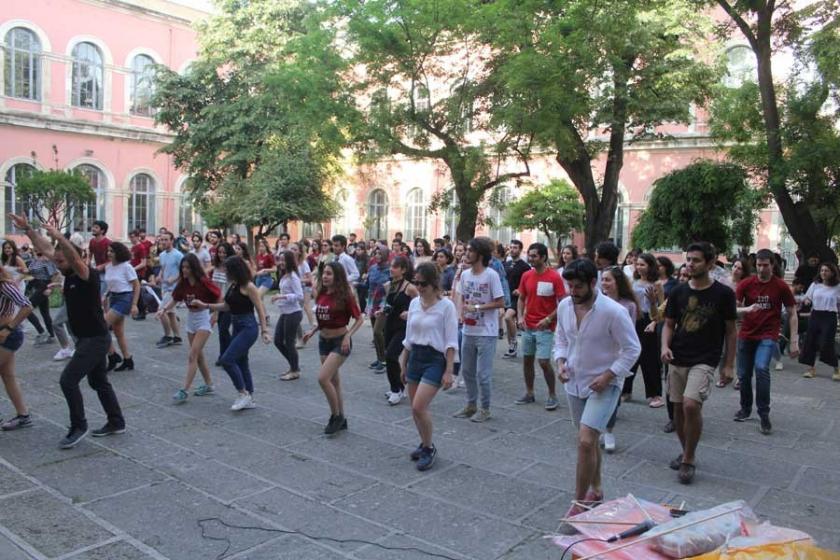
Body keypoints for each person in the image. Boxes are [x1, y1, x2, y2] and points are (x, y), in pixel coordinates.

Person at [14, 214, 126, 448]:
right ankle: (116, 421)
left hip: (94, 339)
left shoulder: (87, 275)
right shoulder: (67, 272)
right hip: (87, 337)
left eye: (61, 262)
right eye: (57, 262)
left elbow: (73, 258)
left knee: (68, 381)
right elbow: (48, 251)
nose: (58, 264)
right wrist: (29, 231)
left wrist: (59, 238)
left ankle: (78, 426)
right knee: (99, 382)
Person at [554, 259, 640, 526]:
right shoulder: (565, 306)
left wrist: (609, 375)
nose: (572, 291)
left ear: (593, 283)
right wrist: (559, 362)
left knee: (585, 440)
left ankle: (578, 503)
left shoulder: (613, 311)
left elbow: (632, 349)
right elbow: (561, 340)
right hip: (575, 382)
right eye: (569, 285)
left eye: (578, 286)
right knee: (588, 441)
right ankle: (597, 490)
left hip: (604, 384)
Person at [662, 242, 737, 483]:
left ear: (710, 263)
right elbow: (669, 324)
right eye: (689, 260)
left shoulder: (724, 294)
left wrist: (728, 364)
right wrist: (664, 346)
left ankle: (688, 459)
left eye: (696, 260)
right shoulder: (678, 292)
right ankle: (686, 451)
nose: (690, 264)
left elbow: (731, 331)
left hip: (705, 358)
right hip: (678, 356)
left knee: (691, 405)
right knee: (677, 411)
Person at [399, 262, 458, 471]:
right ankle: (424, 443)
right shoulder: (415, 303)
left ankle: (429, 447)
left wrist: (449, 370)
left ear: (434, 284)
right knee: (414, 409)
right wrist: (403, 362)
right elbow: (409, 336)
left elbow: (451, 340)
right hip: (416, 355)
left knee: (419, 406)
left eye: (423, 283)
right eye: (416, 282)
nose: (419, 287)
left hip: (435, 358)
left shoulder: (447, 306)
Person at [193, 256, 270, 411]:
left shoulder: (249, 287)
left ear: (235, 270)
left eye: (227, 269)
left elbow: (260, 309)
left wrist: (264, 330)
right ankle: (249, 396)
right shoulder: (234, 285)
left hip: (248, 327)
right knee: (242, 362)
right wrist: (206, 306)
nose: (225, 272)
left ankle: (243, 393)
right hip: (237, 325)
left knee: (227, 359)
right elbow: (227, 306)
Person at [735, 248, 798, 434]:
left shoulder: (780, 286)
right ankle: (745, 408)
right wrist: (746, 310)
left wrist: (794, 340)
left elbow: (792, 313)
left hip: (768, 335)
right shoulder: (746, 284)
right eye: (759, 265)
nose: (762, 269)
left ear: (772, 265)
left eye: (765, 265)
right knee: (744, 375)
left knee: (762, 368)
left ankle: (764, 413)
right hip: (746, 334)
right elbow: (734, 309)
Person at [302, 262, 364, 435]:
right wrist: (313, 331)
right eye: (324, 274)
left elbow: (359, 319)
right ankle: (342, 418)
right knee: (334, 381)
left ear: (337, 275)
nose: (324, 276)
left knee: (323, 379)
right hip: (324, 341)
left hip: (340, 341)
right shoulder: (322, 292)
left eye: (329, 274)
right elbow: (323, 318)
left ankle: (335, 416)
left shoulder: (345, 295)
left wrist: (347, 335)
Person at [453, 237, 505, 423]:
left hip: (487, 332)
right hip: (468, 329)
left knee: (483, 374)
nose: (466, 253)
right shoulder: (465, 275)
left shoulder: (491, 275)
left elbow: (500, 302)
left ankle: (485, 408)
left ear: (480, 255)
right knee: (467, 371)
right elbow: (460, 296)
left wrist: (477, 308)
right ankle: (470, 405)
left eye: (470, 251)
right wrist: (460, 314)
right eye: (466, 250)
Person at [159, 254, 220, 403]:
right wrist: (164, 309)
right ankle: (209, 385)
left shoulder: (204, 282)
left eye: (187, 267)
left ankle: (184, 389)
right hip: (191, 319)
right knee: (199, 356)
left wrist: (215, 314)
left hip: (204, 318)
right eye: (183, 267)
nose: (184, 270)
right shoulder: (183, 283)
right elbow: (175, 298)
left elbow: (219, 296)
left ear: (194, 268)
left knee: (193, 354)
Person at [514, 243, 564, 410]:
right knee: (527, 360)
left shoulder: (554, 277)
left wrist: (549, 319)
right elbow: (521, 298)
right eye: (529, 255)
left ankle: (552, 395)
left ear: (543, 257)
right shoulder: (526, 275)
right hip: (528, 326)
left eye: (534, 256)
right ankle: (529, 393)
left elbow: (562, 303)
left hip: (545, 328)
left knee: (543, 361)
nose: (531, 258)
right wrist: (520, 316)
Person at [599, 266, 640, 452]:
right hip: (597, 354)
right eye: (602, 279)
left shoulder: (628, 305)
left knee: (613, 395)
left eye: (608, 279)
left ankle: (608, 430)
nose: (604, 283)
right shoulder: (597, 301)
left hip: (618, 356)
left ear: (618, 282)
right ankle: (595, 427)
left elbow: (628, 334)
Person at [624, 253, 664, 407]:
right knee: (630, 355)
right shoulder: (632, 282)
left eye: (643, 264)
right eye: (638, 264)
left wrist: (655, 321)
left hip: (650, 320)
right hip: (633, 319)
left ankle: (655, 395)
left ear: (650, 266)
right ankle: (625, 391)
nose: (639, 267)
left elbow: (662, 307)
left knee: (650, 358)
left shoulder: (657, 284)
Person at [0, 267, 34, 431]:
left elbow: (27, 306)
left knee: (8, 376)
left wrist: (10, 328)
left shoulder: (5, 286)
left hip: (7, 335)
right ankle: (23, 416)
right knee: (8, 376)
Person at [381, 256, 418, 405]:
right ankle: (398, 387)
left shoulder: (410, 288)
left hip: (403, 327)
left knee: (391, 355)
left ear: (403, 270)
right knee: (389, 357)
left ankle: (396, 390)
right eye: (391, 266)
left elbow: (421, 305)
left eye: (395, 267)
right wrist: (381, 311)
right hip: (389, 325)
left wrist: (410, 313)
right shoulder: (388, 285)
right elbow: (389, 305)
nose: (391, 269)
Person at [799, 262, 840, 380]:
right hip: (816, 314)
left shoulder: (837, 287)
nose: (823, 273)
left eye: (826, 270)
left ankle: (836, 368)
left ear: (832, 273)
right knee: (810, 341)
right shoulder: (815, 285)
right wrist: (806, 301)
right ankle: (811, 369)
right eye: (822, 270)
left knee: (826, 343)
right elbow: (807, 297)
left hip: (829, 316)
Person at [103, 242, 140, 372]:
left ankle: (112, 355)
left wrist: (134, 304)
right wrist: (105, 296)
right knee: (118, 332)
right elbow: (111, 284)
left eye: (112, 251)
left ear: (119, 252)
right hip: (113, 297)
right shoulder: (108, 267)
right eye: (108, 251)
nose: (109, 253)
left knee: (102, 326)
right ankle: (127, 359)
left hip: (124, 298)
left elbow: (136, 285)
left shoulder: (126, 267)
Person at [272, 251, 304, 381]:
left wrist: (282, 296)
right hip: (285, 312)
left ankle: (295, 370)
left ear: (290, 261)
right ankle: (293, 365)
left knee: (289, 342)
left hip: (293, 313)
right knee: (278, 341)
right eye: (280, 260)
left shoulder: (293, 277)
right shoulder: (285, 275)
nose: (281, 263)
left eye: (284, 261)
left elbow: (300, 296)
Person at [24, 249, 59, 346]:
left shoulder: (47, 260)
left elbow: (55, 275)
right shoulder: (34, 259)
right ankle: (51, 335)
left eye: (37, 246)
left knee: (26, 309)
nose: (35, 247)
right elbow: (31, 272)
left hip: (44, 286)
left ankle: (41, 332)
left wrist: (50, 289)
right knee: (45, 312)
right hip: (36, 286)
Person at [503, 240, 531, 358]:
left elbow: (529, 282)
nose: (512, 249)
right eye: (511, 247)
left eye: (515, 247)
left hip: (518, 298)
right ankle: (511, 347)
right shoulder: (506, 264)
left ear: (520, 250)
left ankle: (514, 343)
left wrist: (520, 290)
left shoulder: (525, 266)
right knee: (508, 321)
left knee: (508, 317)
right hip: (506, 297)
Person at [155, 232, 184, 348]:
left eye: (166, 240)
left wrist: (175, 278)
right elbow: (163, 268)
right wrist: (159, 275)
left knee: (162, 311)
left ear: (172, 241)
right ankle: (177, 336)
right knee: (171, 313)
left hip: (174, 288)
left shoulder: (178, 255)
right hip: (165, 287)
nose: (163, 242)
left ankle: (168, 336)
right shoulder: (162, 255)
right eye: (162, 240)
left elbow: (184, 271)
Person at [367, 245, 391, 373]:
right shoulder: (372, 268)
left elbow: (391, 288)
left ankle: (384, 360)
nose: (377, 256)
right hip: (372, 302)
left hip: (384, 303)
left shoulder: (390, 270)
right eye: (376, 253)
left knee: (378, 331)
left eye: (380, 253)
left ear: (385, 255)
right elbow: (369, 286)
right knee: (375, 333)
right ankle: (379, 358)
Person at [210, 242, 233, 364]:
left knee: (224, 329)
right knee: (221, 330)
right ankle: (223, 355)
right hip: (218, 302)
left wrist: (216, 311)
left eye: (224, 252)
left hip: (228, 304)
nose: (222, 255)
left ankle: (229, 355)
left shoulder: (231, 268)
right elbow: (214, 287)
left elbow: (229, 288)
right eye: (219, 252)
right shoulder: (216, 267)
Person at [88, 220, 111, 297]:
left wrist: (102, 266)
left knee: (101, 295)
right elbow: (90, 254)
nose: (93, 229)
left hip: (108, 272)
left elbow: (112, 261)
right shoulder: (92, 241)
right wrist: (88, 262)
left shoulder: (108, 243)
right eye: (93, 227)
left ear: (102, 231)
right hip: (97, 271)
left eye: (96, 227)